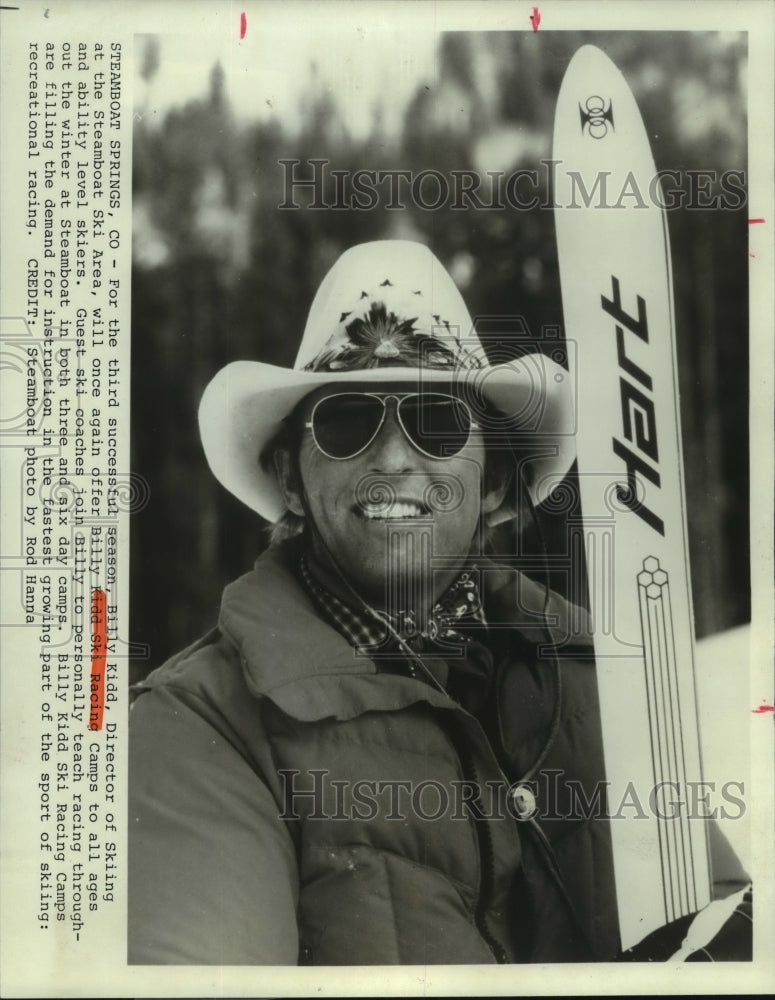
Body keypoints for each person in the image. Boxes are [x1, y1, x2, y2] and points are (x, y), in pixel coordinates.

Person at [128, 240, 749, 966]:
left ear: (492, 484)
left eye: (438, 420)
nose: (392, 459)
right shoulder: (199, 728)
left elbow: (726, 940)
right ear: (291, 481)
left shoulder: (592, 685)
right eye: (345, 422)